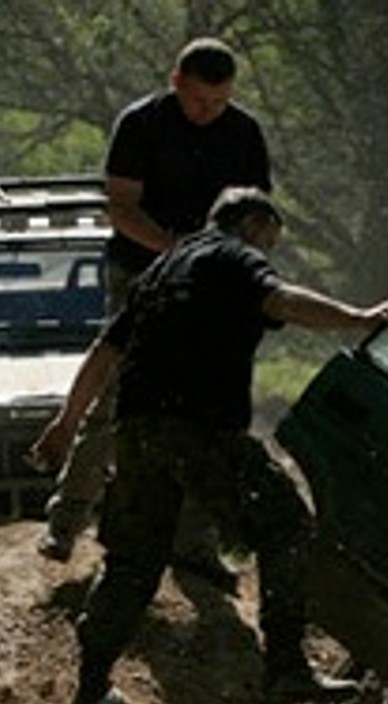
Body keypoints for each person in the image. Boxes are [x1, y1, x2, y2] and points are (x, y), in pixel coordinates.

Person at [29, 187, 388, 704]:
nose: (268, 254)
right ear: (252, 225)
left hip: (137, 433)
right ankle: (284, 665)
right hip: (201, 429)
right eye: (269, 242)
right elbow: (282, 301)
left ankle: (90, 693)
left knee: (132, 564)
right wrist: (360, 316)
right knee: (287, 527)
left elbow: (105, 353)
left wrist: (67, 425)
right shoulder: (234, 255)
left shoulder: (161, 270)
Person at [38, 36, 272, 589]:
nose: (207, 113)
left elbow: (258, 216)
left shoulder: (244, 133)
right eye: (198, 101)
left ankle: (195, 544)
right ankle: (67, 520)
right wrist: (176, 249)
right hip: (140, 270)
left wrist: (232, 269)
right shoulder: (141, 124)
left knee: (206, 410)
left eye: (218, 102)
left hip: (213, 281)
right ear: (176, 82)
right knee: (118, 393)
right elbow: (120, 206)